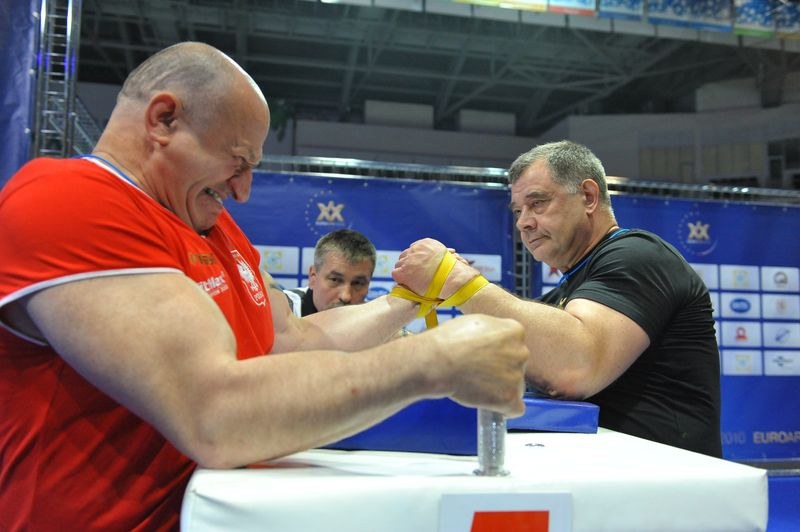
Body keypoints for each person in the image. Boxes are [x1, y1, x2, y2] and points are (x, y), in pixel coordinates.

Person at [0, 42, 529, 530]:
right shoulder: (69, 201)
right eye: (237, 162)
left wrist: (407, 302)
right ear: (163, 120)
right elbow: (214, 415)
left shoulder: (211, 225)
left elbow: (294, 342)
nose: (243, 191)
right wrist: (434, 360)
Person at [393, 140, 722, 458]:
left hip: (670, 480)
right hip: (620, 476)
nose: (523, 222)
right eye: (518, 210)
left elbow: (574, 370)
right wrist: (400, 338)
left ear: (588, 196)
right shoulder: (565, 293)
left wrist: (458, 280)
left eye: (538, 203)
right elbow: (493, 361)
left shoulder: (638, 255)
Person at [284, 229, 376, 317]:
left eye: (358, 283)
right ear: (313, 277)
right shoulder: (282, 310)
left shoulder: (374, 318)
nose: (346, 296)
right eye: (335, 279)